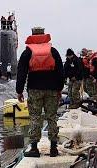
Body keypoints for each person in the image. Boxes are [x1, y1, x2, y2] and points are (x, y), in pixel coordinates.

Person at [16, 27, 64, 157]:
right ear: (44, 35)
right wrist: (59, 88)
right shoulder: (53, 51)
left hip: (34, 89)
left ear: (32, 36)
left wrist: (19, 91)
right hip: (52, 90)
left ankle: (34, 148)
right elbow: (61, 72)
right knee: (52, 117)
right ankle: (53, 148)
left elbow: (21, 72)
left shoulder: (28, 52)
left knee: (35, 118)